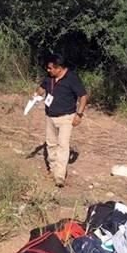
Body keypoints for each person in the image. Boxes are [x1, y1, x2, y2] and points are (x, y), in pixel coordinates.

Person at [33, 53, 88, 187]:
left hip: (66, 117)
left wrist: (79, 115)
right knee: (51, 144)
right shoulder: (49, 78)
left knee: (63, 145)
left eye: (50, 68)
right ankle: (52, 169)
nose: (48, 70)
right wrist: (37, 95)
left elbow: (83, 96)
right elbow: (41, 88)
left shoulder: (72, 78)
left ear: (59, 68)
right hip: (50, 116)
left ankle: (59, 175)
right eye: (48, 68)